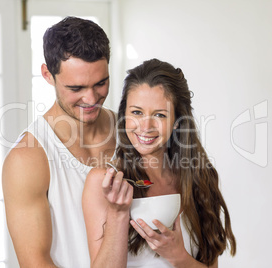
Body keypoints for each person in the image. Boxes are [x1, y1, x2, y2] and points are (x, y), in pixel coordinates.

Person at [83, 58, 237, 268]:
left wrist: (178, 256)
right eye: (136, 112)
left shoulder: (200, 177)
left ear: (177, 122)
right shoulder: (103, 182)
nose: (146, 126)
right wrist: (118, 213)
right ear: (124, 115)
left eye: (160, 115)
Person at [2, 16, 116, 267]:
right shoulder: (28, 158)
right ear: (48, 74)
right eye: (76, 88)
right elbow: (35, 262)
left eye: (101, 83)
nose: (91, 98)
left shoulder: (131, 132)